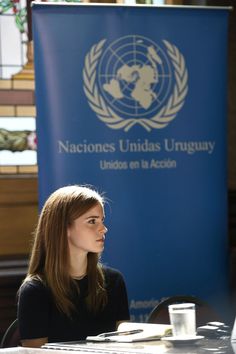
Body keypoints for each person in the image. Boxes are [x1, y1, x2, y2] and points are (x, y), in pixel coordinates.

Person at [17, 185, 130, 348]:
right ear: (63, 228)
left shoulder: (114, 281)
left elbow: (125, 346)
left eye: (102, 220)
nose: (103, 229)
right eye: (92, 221)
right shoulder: (35, 291)